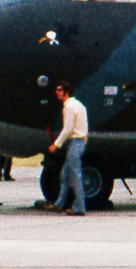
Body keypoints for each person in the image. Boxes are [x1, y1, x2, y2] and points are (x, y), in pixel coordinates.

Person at [45, 81, 89, 216]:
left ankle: (79, 207)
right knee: (65, 175)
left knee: (75, 176)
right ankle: (59, 204)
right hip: (79, 142)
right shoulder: (79, 105)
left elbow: (67, 129)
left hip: (75, 143)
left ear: (66, 92)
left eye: (59, 90)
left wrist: (56, 145)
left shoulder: (69, 108)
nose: (56, 92)